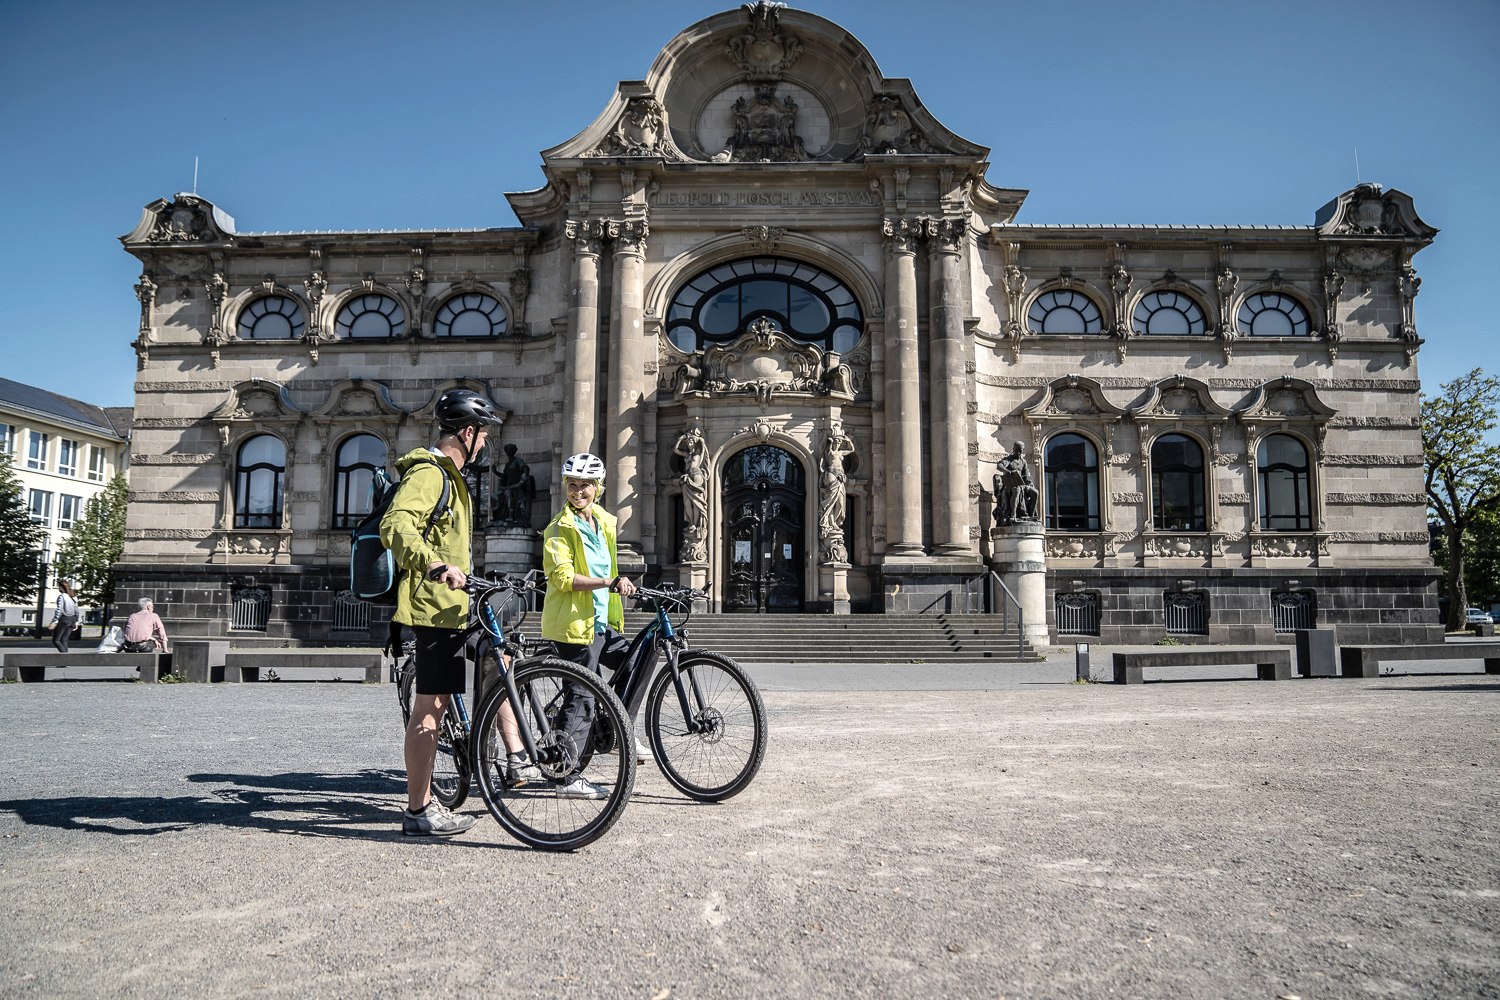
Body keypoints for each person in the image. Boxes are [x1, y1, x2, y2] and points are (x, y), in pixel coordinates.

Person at [380, 387, 503, 837]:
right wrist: (434, 564)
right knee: (430, 707)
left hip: (456, 607)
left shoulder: (451, 478)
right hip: (433, 609)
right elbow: (396, 524)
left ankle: (512, 755)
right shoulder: (430, 474)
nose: (485, 443)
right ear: (467, 433)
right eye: (483, 435)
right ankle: (418, 809)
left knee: (501, 655)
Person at [540, 452, 641, 799]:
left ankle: (615, 729)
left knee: (634, 663)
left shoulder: (604, 522)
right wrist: (608, 582)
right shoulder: (559, 528)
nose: (578, 491)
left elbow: (608, 566)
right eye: (572, 484)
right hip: (573, 624)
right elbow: (562, 577)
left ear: (598, 488)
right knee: (581, 695)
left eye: (585, 485)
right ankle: (564, 776)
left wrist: (617, 582)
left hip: (600, 621)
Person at [49, 580, 79, 653]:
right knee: (64, 640)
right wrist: (76, 621)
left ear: (61, 587)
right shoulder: (73, 596)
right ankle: (66, 659)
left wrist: (54, 621)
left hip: (64, 619)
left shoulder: (61, 597)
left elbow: (59, 610)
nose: (58, 588)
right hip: (72, 619)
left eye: (58, 586)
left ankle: (64, 657)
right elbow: (76, 610)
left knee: (56, 640)